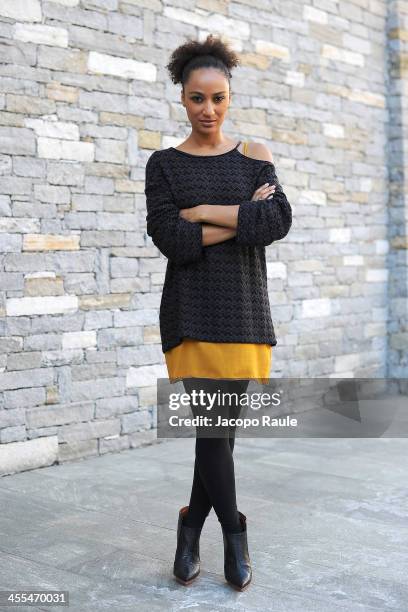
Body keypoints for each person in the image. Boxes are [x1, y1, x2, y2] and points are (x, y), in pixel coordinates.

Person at [144, 34, 292, 591]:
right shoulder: (163, 165)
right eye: (197, 99)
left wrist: (204, 211)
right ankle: (235, 535)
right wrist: (238, 219)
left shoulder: (254, 155)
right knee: (212, 428)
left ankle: (190, 528)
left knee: (220, 433)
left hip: (245, 312)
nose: (209, 110)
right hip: (189, 311)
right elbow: (169, 237)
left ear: (230, 98)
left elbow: (275, 222)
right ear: (181, 97)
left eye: (219, 98)